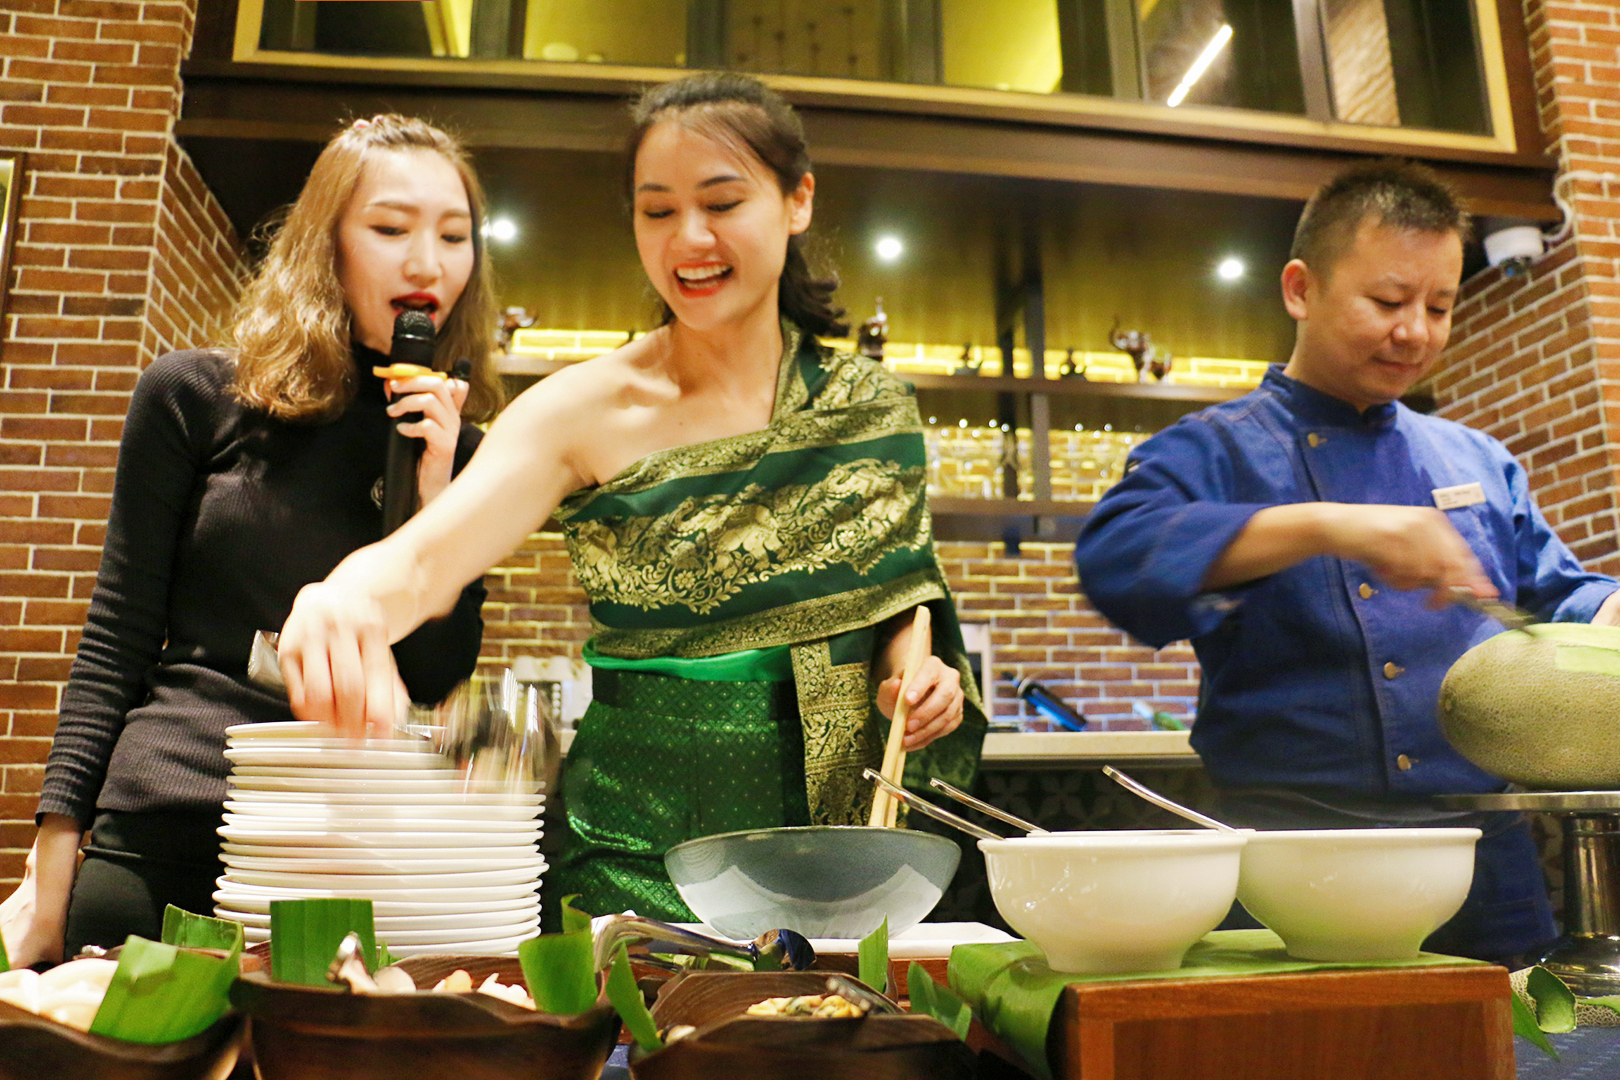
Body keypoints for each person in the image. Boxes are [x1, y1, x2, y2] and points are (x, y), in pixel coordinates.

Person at [274, 72, 987, 921]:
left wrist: (916, 678)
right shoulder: (583, 408)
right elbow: (426, 559)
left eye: (722, 202)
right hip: (638, 852)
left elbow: (896, 597)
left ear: (797, 200)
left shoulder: (871, 406)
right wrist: (346, 596)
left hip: (838, 849)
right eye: (657, 211)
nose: (690, 237)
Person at [1073, 159, 1620, 965]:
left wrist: (1607, 615)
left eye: (1440, 306)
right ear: (1301, 289)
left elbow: (1562, 598)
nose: (1417, 332)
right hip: (1292, 854)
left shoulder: (1476, 459)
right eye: (1388, 302)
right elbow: (1120, 560)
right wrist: (1333, 526)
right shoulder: (1212, 447)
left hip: (1481, 859)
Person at [0, 115, 502, 966]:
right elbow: (115, 638)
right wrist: (45, 875)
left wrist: (438, 495)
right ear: (326, 244)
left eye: (454, 237)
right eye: (390, 228)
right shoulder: (192, 396)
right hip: (172, 819)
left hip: (347, 846)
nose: (428, 262)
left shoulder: (463, 452)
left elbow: (435, 675)